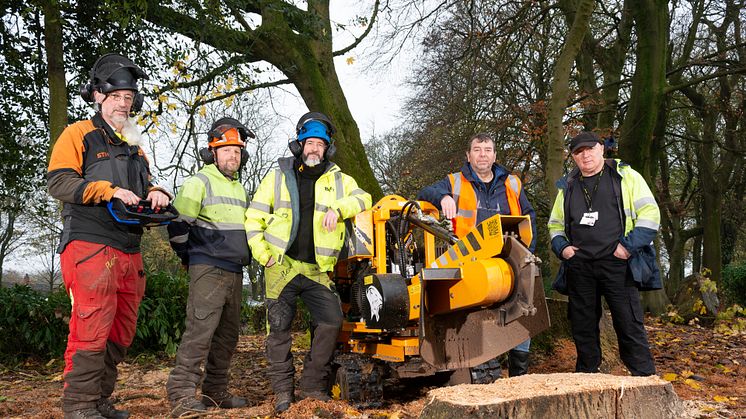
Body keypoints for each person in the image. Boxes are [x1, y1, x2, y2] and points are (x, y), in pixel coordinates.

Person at [47, 53, 171, 419]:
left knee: (120, 331)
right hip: (90, 243)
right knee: (92, 325)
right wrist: (107, 189)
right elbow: (59, 181)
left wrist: (158, 192)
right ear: (98, 96)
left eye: (129, 97)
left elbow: (144, 187)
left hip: (129, 248)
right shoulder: (78, 134)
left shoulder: (136, 149)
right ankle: (79, 405)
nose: (123, 103)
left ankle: (100, 397)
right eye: (116, 96)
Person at [245, 112, 372, 413]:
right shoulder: (278, 176)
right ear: (299, 145)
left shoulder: (341, 179)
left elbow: (364, 199)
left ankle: (313, 386)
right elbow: (253, 218)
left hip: (317, 270)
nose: (314, 149)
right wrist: (264, 256)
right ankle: (282, 393)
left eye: (320, 144)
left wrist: (340, 209)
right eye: (309, 143)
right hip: (282, 266)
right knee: (278, 330)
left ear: (327, 148)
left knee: (331, 320)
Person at [417, 132, 537, 377]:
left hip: (509, 261)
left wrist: (527, 252)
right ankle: (479, 371)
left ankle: (519, 376)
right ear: (468, 155)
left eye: (487, 150)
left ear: (495, 155)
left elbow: (529, 216)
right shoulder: (455, 181)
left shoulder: (512, 184)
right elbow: (424, 192)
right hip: (471, 264)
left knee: (522, 315)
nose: (483, 154)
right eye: (477, 150)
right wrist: (443, 197)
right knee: (477, 319)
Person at [548, 131, 660, 376]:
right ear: (573, 157)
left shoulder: (626, 176)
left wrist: (627, 247)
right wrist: (563, 249)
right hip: (580, 266)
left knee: (628, 323)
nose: (585, 154)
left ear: (601, 148)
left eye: (590, 148)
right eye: (578, 151)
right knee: (582, 326)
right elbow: (555, 225)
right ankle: (587, 378)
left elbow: (651, 215)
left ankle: (644, 378)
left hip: (618, 263)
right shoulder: (566, 186)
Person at [165, 118, 254, 416]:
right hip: (208, 268)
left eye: (238, 151)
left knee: (227, 336)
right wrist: (189, 257)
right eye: (227, 150)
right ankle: (181, 394)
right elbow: (178, 225)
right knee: (199, 331)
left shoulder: (240, 189)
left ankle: (215, 391)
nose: (233, 156)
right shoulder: (198, 182)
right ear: (212, 152)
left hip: (234, 270)